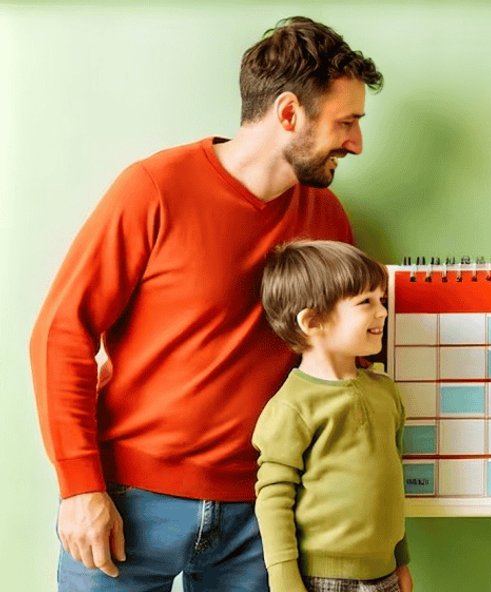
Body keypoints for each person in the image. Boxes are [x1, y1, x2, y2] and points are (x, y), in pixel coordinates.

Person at [29, 16, 382, 590]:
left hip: (261, 512)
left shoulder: (326, 217)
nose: (357, 143)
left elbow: (336, 359)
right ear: (289, 113)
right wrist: (79, 487)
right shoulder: (154, 188)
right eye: (347, 122)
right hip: (128, 505)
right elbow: (61, 334)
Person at [253, 240, 411, 592]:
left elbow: (392, 482)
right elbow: (274, 498)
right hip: (320, 580)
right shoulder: (291, 406)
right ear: (313, 321)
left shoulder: (386, 393)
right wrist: (284, 579)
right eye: (365, 302)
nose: (382, 312)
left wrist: (401, 560)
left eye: (381, 300)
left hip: (384, 574)